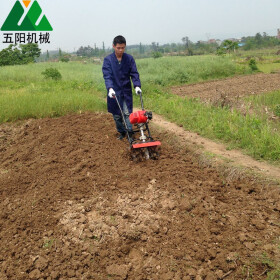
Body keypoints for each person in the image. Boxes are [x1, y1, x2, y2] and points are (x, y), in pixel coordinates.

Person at [102, 35, 142, 140]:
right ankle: (121, 132)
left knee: (127, 112)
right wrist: (110, 88)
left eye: (123, 48)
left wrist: (137, 85)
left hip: (126, 91)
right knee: (117, 115)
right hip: (114, 92)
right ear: (113, 46)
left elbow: (134, 73)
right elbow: (107, 76)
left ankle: (129, 133)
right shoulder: (108, 60)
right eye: (118, 48)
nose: (120, 50)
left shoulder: (129, 59)